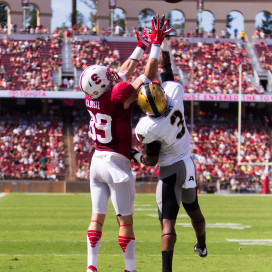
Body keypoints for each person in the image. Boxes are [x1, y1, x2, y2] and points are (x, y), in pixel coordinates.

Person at [80, 16, 171, 272]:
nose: (111, 73)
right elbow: (147, 75)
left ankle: (91, 266)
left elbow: (121, 73)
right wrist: (155, 45)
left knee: (96, 217)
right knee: (125, 223)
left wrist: (139, 47)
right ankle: (129, 269)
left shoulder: (91, 97)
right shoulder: (117, 95)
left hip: (96, 162)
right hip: (116, 162)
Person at [131, 29, 207, 272]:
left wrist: (134, 155)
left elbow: (151, 160)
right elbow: (166, 69)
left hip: (170, 170)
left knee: (167, 223)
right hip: (188, 163)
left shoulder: (148, 126)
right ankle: (202, 245)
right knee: (194, 209)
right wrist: (159, 44)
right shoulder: (174, 92)